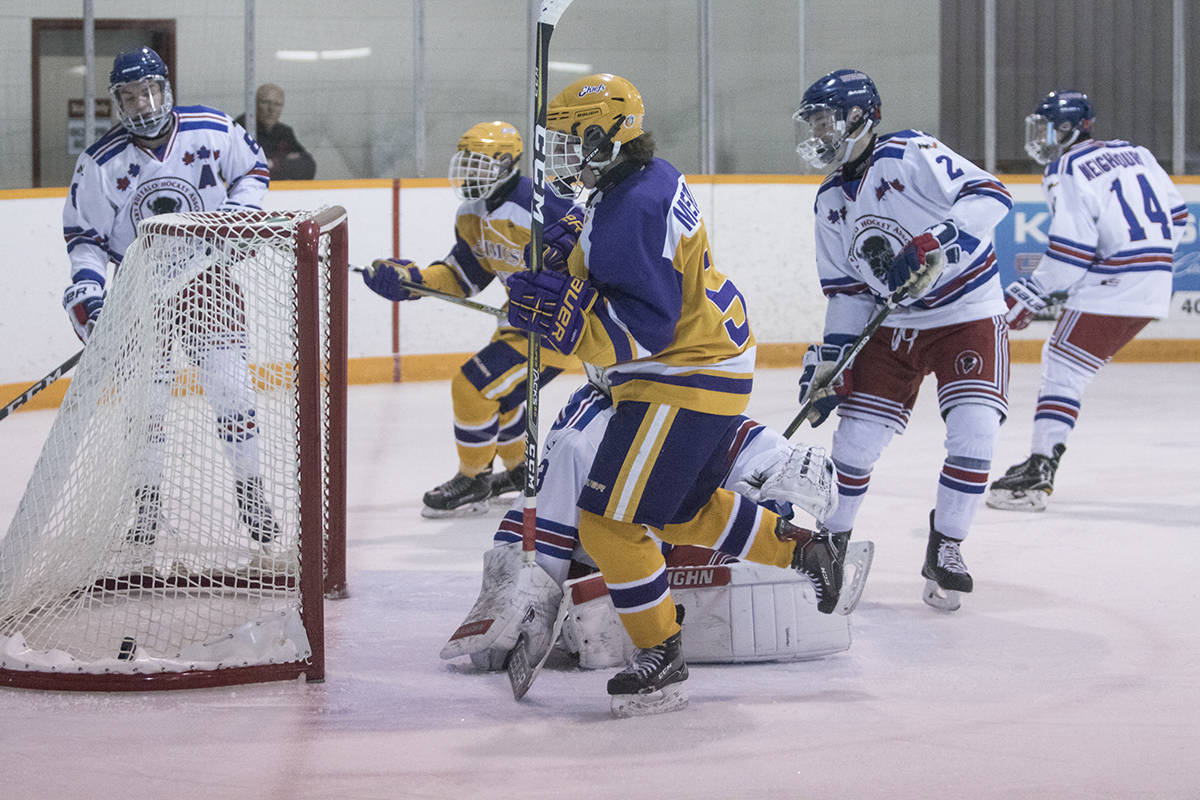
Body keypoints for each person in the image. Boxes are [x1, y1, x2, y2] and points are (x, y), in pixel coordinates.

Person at [503, 73, 848, 717]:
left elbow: (648, 328)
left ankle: (662, 657)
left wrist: (572, 322)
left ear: (609, 136)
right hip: (707, 359)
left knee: (608, 524)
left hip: (684, 373)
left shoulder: (629, 209)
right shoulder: (638, 180)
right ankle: (800, 546)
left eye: (575, 142)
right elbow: (621, 253)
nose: (563, 156)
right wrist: (574, 240)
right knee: (675, 509)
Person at [440, 381, 866, 676]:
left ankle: (796, 554)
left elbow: (715, 424)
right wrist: (521, 595)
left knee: (669, 507)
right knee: (648, 515)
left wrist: (776, 460)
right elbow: (545, 514)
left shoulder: (648, 396)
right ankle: (658, 628)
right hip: (609, 551)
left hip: (632, 544)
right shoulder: (586, 431)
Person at [790, 69, 1013, 612]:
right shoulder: (828, 202)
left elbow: (992, 196)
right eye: (812, 121)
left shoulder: (909, 153)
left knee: (975, 431)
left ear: (860, 116)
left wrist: (939, 242)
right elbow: (848, 292)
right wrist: (832, 361)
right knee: (854, 443)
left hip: (967, 312)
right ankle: (832, 544)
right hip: (891, 325)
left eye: (827, 119)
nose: (817, 132)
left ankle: (948, 546)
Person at [61, 46, 276, 547]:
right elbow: (85, 240)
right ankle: (147, 503)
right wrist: (89, 292)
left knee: (232, 390)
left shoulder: (212, 127)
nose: (144, 103)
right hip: (140, 290)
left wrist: (239, 214)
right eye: (132, 96)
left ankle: (250, 491)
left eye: (152, 90)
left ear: (167, 88)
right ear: (119, 103)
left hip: (208, 277)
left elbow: (254, 170)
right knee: (146, 406)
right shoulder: (100, 163)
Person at [360, 121, 582, 517]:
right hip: (521, 323)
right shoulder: (471, 214)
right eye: (467, 163)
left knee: (472, 385)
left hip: (562, 326)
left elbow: (589, 256)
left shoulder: (540, 207)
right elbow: (464, 277)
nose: (469, 174)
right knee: (506, 391)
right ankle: (517, 471)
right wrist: (413, 281)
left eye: (480, 165)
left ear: (508, 163)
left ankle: (474, 477)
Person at [987, 91, 1188, 512]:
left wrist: (1032, 293)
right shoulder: (1138, 153)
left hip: (1117, 281)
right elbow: (1180, 217)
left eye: (1046, 128)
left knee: (1061, 365)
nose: (1040, 138)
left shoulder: (1067, 167)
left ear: (1070, 129)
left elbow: (1072, 251)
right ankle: (1041, 463)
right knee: (1065, 362)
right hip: (1155, 279)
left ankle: (1040, 470)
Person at [234, 83, 316, 180]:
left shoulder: (284, 132)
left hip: (278, 192)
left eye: (277, 104)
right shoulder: (240, 129)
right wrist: (286, 161)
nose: (271, 109)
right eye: (265, 102)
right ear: (254, 104)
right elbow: (241, 168)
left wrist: (274, 164)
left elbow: (308, 167)